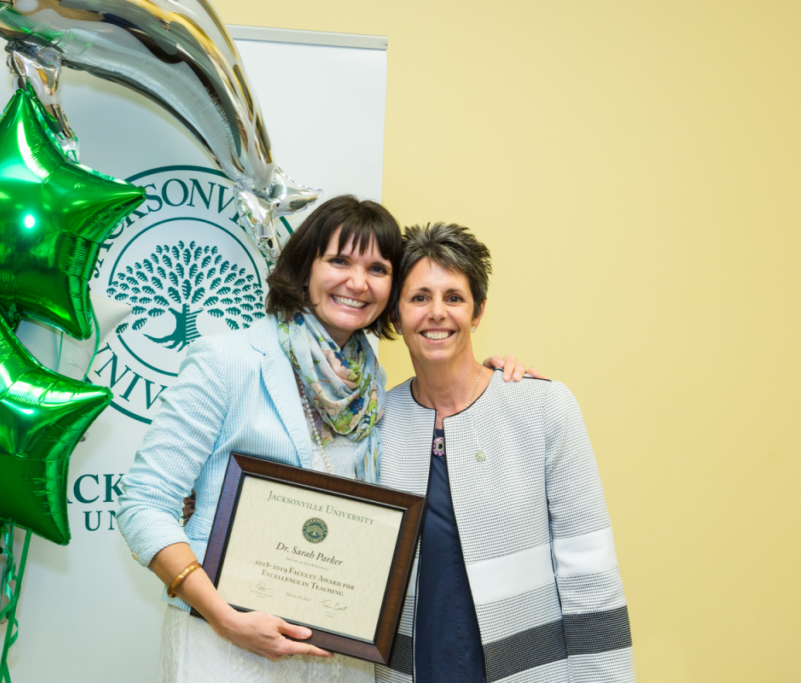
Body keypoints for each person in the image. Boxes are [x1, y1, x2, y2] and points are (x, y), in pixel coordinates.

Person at [115, 197, 538, 683]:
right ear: (304, 270)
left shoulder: (374, 387)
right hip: (227, 646)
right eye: (339, 261)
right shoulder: (227, 362)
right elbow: (143, 503)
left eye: (377, 268)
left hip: (338, 659)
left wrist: (487, 380)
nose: (357, 282)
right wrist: (225, 617)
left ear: (391, 293)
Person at [375, 223, 634, 683]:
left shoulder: (543, 407)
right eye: (419, 298)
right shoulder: (375, 423)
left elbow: (588, 571)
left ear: (478, 312)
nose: (437, 313)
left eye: (454, 297)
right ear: (395, 315)